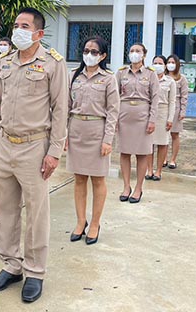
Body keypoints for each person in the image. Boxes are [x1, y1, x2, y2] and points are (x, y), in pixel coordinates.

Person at [0, 7, 68, 303]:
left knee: (36, 213)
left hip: (35, 146)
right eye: (16, 24)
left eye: (24, 25)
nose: (17, 29)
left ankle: (34, 271)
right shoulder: (3, 64)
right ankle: (11, 265)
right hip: (5, 143)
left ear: (38, 33)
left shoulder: (53, 64)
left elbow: (60, 110)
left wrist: (54, 151)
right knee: (5, 208)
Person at [66, 37, 119, 245]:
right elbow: (65, 107)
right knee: (79, 179)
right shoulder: (73, 76)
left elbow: (113, 111)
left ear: (103, 56)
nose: (89, 55)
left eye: (94, 52)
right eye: (86, 50)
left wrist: (108, 139)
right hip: (76, 130)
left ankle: (95, 223)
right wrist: (63, 136)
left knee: (98, 180)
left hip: (97, 132)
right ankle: (81, 221)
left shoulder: (108, 78)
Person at [115, 43, 159, 203]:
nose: (134, 53)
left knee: (142, 154)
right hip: (124, 115)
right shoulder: (121, 73)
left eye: (138, 51)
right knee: (124, 152)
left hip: (143, 116)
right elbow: (114, 96)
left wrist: (152, 120)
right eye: (132, 51)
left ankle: (138, 188)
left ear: (144, 55)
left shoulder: (150, 74)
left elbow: (155, 98)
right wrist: (114, 119)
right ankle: (126, 186)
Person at [146, 55, 175, 181]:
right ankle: (149, 170)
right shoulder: (147, 79)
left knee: (162, 143)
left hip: (163, 113)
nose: (157, 65)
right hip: (149, 113)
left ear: (164, 66)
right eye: (155, 63)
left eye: (160, 63)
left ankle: (158, 171)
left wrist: (170, 118)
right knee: (149, 143)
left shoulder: (170, 82)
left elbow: (172, 101)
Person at [165, 54, 188, 169]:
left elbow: (184, 96)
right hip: (163, 107)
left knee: (174, 134)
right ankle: (163, 158)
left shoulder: (181, 78)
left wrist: (182, 111)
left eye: (173, 62)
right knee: (163, 135)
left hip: (176, 108)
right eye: (169, 62)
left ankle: (172, 159)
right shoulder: (162, 77)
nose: (170, 64)